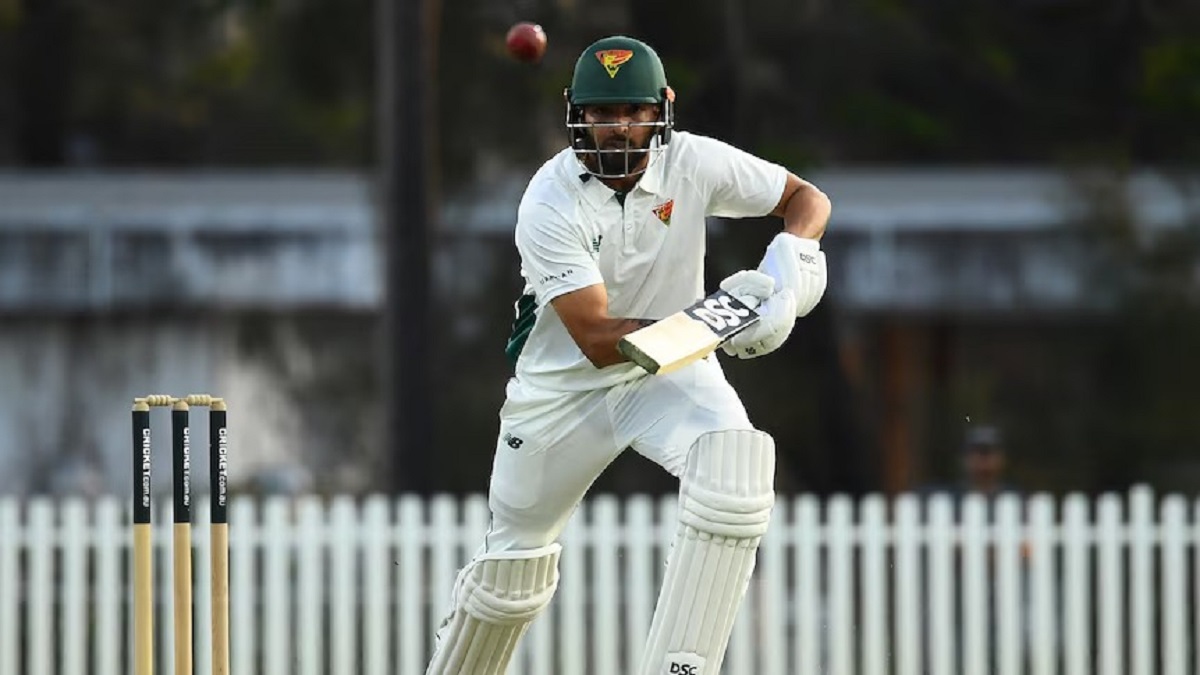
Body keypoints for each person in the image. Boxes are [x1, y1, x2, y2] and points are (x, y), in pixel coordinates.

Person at [425, 34, 832, 675]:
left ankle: (681, 668)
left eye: (632, 112)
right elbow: (594, 338)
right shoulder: (549, 200)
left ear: (662, 108)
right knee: (511, 573)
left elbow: (806, 200)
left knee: (735, 471)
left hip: (670, 375)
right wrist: (720, 323)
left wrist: (793, 260)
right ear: (574, 112)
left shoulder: (693, 163)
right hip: (561, 394)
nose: (616, 128)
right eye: (601, 113)